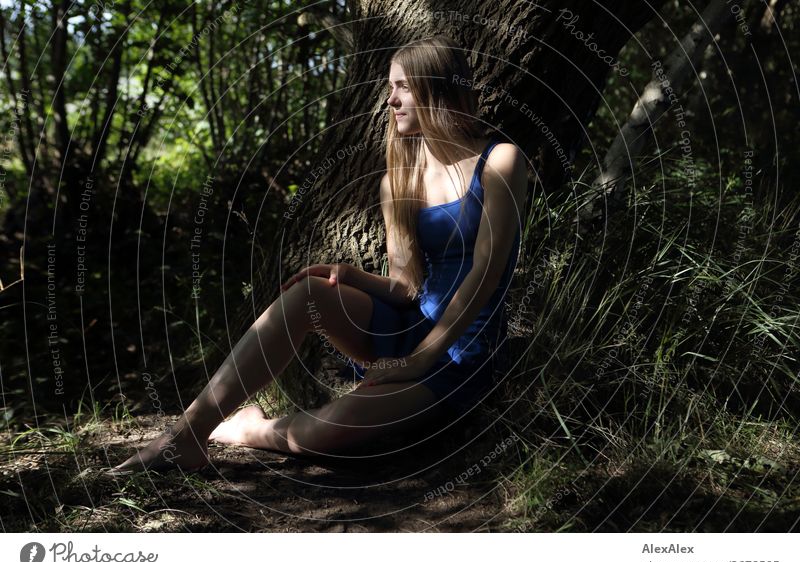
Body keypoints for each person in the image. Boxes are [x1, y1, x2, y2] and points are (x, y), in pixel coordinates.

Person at [109, 35, 527, 475]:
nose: (391, 100)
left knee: (332, 432)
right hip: (406, 329)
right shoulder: (398, 181)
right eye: (391, 88)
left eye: (401, 87)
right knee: (308, 293)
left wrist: (420, 358)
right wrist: (350, 275)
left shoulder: (500, 161)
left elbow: (486, 271)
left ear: (435, 86)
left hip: (460, 353)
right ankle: (187, 435)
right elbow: (406, 288)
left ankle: (247, 428)